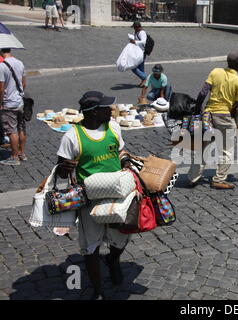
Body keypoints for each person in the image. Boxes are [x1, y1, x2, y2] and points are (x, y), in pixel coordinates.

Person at [56, 91, 131, 300]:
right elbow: (60, 170)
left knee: (121, 236)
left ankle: (113, 260)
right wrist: (64, 168)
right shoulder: (72, 136)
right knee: (91, 246)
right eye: (106, 107)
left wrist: (125, 162)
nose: (111, 110)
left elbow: (121, 151)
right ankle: (98, 290)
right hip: (89, 199)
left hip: (117, 195)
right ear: (95, 112)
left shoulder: (113, 127)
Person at [187, 52, 238, 190]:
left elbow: (203, 93)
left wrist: (198, 108)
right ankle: (218, 179)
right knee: (226, 150)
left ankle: (192, 178)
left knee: (203, 147)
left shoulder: (215, 72)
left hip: (208, 115)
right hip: (224, 118)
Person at [0, 48, 27, 166]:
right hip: (19, 102)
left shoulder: (1, 66)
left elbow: (1, 88)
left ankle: (14, 157)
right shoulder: (20, 62)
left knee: (11, 131)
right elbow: (24, 83)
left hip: (9, 103)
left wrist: (1, 103)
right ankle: (22, 153)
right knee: (21, 128)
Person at [130, 21, 147, 87]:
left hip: (141, 53)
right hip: (138, 52)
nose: (134, 29)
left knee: (133, 67)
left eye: (134, 27)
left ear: (137, 27)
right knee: (141, 68)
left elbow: (143, 41)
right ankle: (144, 82)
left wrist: (135, 42)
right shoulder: (137, 32)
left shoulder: (142, 33)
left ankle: (145, 78)